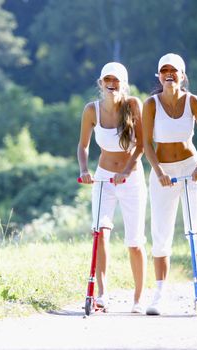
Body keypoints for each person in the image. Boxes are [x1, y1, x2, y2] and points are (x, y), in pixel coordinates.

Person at [142, 53, 197, 315]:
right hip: (162, 172)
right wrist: (159, 170)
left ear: (183, 75)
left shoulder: (192, 101)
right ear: (159, 76)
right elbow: (146, 144)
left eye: (174, 70)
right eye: (164, 71)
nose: (169, 74)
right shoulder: (151, 104)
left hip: (190, 167)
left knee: (196, 230)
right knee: (160, 234)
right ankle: (160, 294)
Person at [77, 62, 147, 313]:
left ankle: (138, 299)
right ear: (100, 83)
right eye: (107, 79)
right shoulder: (91, 110)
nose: (112, 83)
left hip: (132, 179)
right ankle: (102, 295)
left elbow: (141, 145)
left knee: (134, 242)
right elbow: (83, 146)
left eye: (116, 80)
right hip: (104, 178)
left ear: (123, 83)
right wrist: (84, 170)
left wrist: (127, 170)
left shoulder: (133, 105)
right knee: (100, 233)